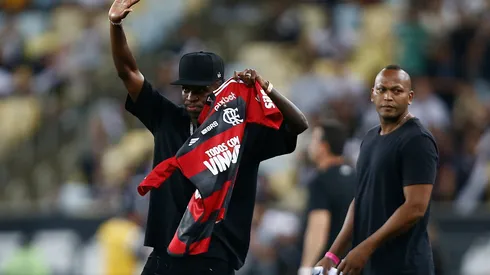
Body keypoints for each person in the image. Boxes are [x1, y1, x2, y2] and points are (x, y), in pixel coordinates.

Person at [108, 1, 309, 275]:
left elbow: (298, 124)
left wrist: (267, 88)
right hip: (164, 255)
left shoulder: (243, 131)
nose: (190, 97)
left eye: (200, 91)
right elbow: (127, 72)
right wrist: (116, 25)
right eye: (186, 90)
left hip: (213, 258)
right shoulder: (167, 119)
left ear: (220, 89)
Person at [317, 64, 439, 275]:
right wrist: (333, 255)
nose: (388, 97)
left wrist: (366, 247)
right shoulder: (370, 138)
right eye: (382, 90)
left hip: (405, 267)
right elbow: (361, 200)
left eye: (397, 91)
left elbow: (415, 207)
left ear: (410, 97)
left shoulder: (418, 140)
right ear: (372, 95)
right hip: (371, 266)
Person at [298, 120, 356, 275]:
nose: (310, 145)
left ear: (324, 147)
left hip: (327, 266)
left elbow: (319, 226)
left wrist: (306, 268)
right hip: (354, 265)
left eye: (314, 140)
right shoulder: (356, 177)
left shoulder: (320, 181)